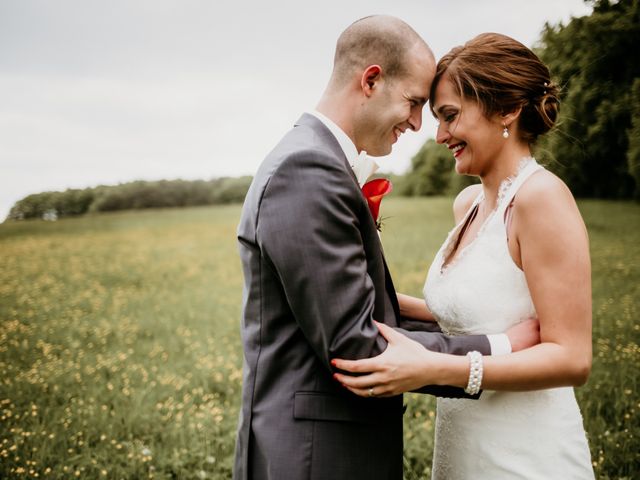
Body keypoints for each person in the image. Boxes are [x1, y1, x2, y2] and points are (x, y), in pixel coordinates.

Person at [233, 18, 539, 480]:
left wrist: (465, 321)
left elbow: (365, 309)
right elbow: (357, 343)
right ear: (371, 80)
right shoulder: (308, 169)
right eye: (415, 103)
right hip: (316, 456)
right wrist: (496, 347)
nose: (419, 124)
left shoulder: (316, 161)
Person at [333, 32, 594, 478]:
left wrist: (437, 368)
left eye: (450, 116)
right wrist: (356, 297)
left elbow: (571, 357)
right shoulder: (468, 204)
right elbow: (463, 314)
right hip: (462, 444)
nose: (439, 135)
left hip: (525, 453)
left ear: (507, 109)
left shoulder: (541, 199)